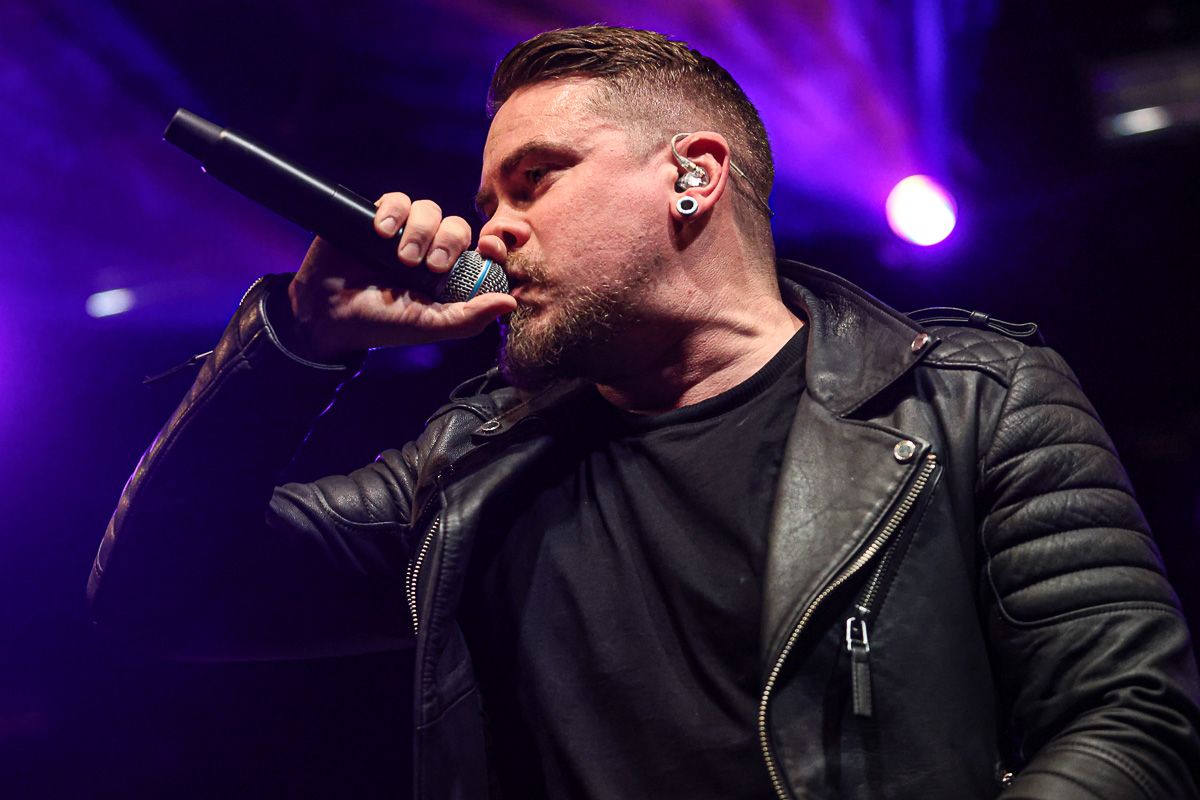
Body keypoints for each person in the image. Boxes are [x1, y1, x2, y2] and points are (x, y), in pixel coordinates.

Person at [89, 25, 1200, 800]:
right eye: (488, 201)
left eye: (535, 179)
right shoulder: (469, 465)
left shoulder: (970, 400)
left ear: (692, 177)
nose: (492, 231)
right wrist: (301, 340)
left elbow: (1128, 721)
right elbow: (159, 599)